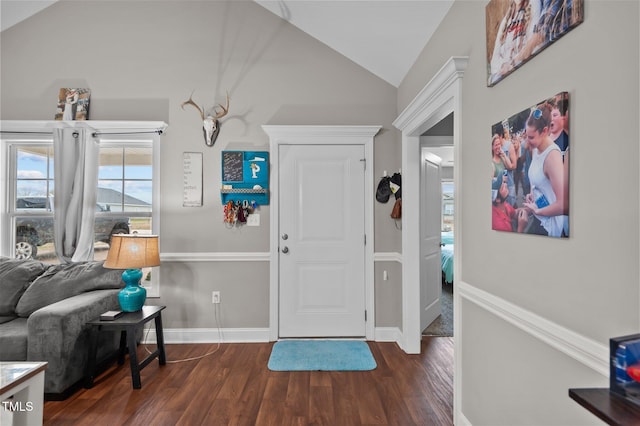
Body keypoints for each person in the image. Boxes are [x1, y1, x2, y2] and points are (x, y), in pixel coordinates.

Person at [521, 104, 568, 237]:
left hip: (550, 226)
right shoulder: (536, 149)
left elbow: (563, 205)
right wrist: (532, 195)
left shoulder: (552, 156)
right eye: (526, 136)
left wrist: (538, 211)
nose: (527, 142)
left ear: (544, 131)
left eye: (531, 137)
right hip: (539, 219)